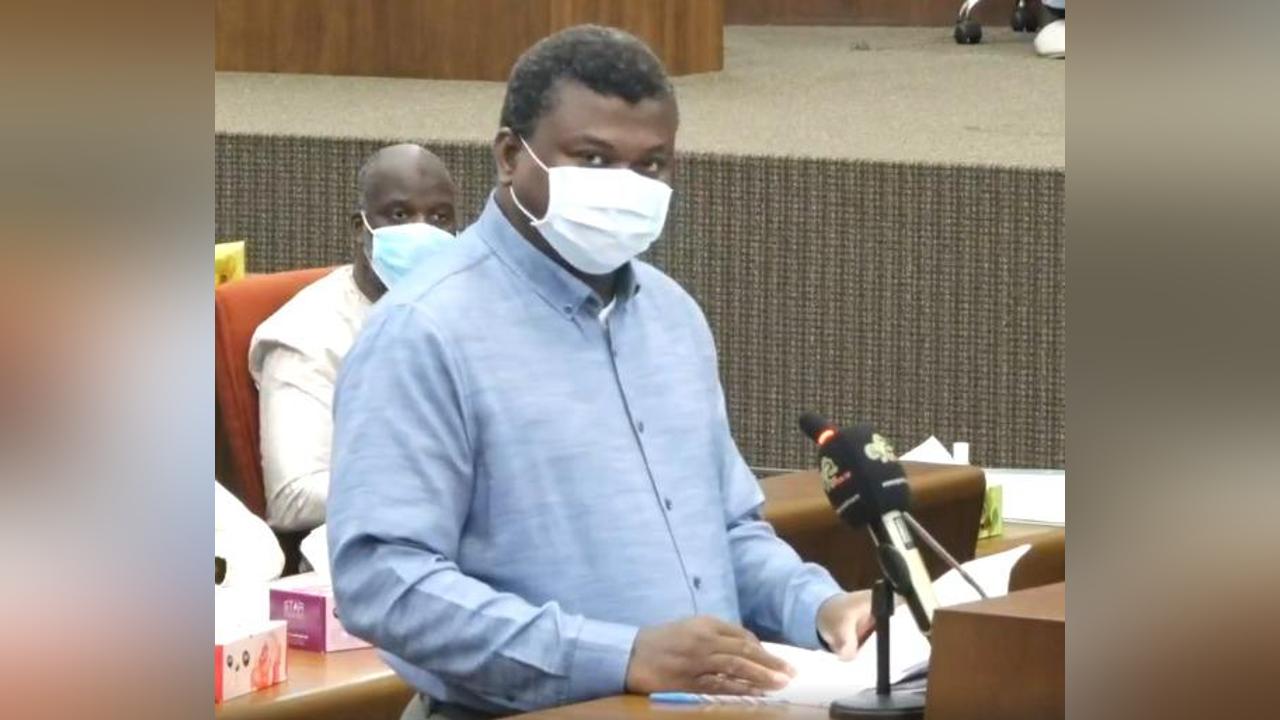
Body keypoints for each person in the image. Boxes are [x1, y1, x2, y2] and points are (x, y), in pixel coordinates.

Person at [327, 26, 874, 719]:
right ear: (509, 157)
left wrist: (819, 607)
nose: (625, 187)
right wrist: (617, 655)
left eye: (652, 165)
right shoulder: (424, 329)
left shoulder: (672, 317)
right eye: (592, 158)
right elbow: (384, 582)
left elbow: (727, 532)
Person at [248, 144, 459, 532]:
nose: (422, 230)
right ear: (361, 228)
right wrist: (434, 488)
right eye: (400, 215)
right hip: (374, 542)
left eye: (439, 217)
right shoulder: (308, 333)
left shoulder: (475, 308)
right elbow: (293, 497)